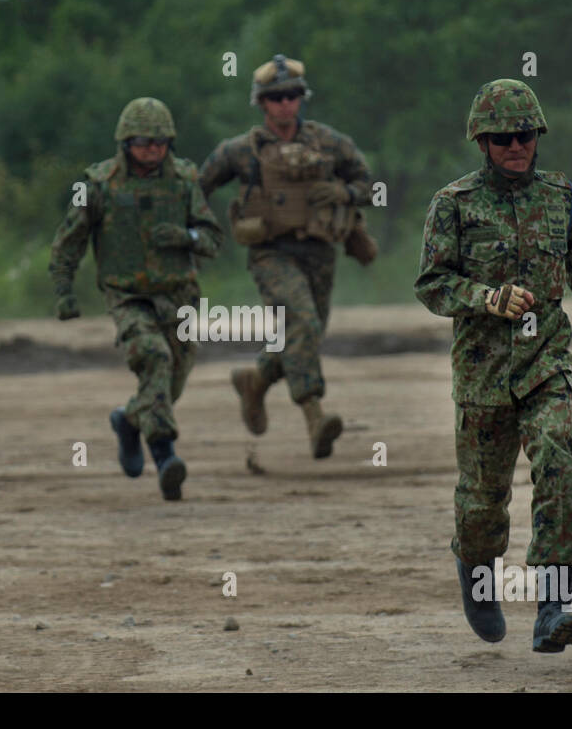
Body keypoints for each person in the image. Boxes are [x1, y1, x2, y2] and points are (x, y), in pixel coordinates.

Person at [414, 79, 572, 652]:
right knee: (482, 501)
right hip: (483, 374)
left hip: (546, 364)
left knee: (558, 468)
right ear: (482, 142)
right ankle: (476, 570)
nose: (515, 146)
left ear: (537, 137)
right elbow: (432, 284)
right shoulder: (455, 204)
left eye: (524, 135)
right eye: (501, 138)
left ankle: (553, 604)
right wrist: (486, 298)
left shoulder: (562, 197)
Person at [200, 54, 378, 459]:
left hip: (319, 252)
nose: (285, 104)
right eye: (276, 97)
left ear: (302, 99)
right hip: (271, 254)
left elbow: (370, 183)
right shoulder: (240, 152)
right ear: (262, 103)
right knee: (303, 321)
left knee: (305, 333)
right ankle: (315, 416)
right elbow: (196, 188)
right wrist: (196, 233)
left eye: (292, 95)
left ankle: (257, 380)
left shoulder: (329, 143)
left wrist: (344, 194)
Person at [49, 98, 222, 501]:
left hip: (179, 297)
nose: (153, 150)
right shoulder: (98, 185)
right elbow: (67, 241)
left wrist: (186, 237)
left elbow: (212, 238)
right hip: (127, 296)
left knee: (169, 384)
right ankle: (164, 456)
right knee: (154, 357)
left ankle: (128, 421)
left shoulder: (183, 181)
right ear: (126, 142)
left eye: (161, 142)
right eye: (144, 142)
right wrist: (63, 291)